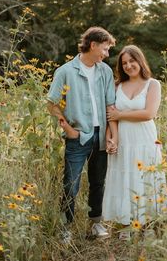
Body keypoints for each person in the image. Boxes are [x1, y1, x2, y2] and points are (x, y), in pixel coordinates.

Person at [47, 27, 118, 241]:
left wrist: (110, 135)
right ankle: (65, 228)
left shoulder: (104, 71)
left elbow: (110, 106)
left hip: (100, 135)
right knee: (70, 184)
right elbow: (52, 104)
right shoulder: (66, 71)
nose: (106, 54)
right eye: (104, 49)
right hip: (77, 136)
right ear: (93, 45)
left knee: (98, 182)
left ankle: (96, 224)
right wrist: (69, 130)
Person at [103, 45, 167, 240]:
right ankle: (126, 223)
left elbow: (149, 113)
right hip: (124, 139)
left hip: (145, 139)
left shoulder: (153, 84)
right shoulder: (117, 86)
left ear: (140, 61)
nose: (128, 66)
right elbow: (111, 116)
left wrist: (121, 114)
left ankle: (147, 223)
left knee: (146, 178)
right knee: (124, 178)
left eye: (132, 61)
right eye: (124, 63)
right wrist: (112, 138)